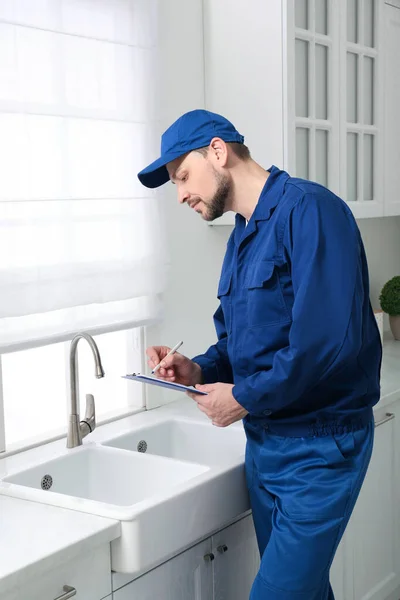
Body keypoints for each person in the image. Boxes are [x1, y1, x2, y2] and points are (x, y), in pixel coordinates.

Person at [137, 109, 382, 599]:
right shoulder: (242, 238)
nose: (181, 193)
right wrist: (198, 367)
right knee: (303, 592)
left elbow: (327, 341)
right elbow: (238, 342)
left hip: (319, 447)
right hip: (265, 448)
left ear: (218, 151)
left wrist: (243, 397)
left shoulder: (311, 210)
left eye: (182, 176)